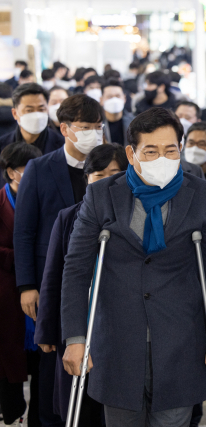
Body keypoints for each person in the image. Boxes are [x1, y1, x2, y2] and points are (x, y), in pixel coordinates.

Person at [58, 107, 206, 426]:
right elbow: (76, 268)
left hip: (181, 341)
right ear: (131, 152)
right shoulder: (101, 195)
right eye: (151, 151)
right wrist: (74, 338)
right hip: (118, 341)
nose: (162, 158)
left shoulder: (203, 196)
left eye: (170, 150)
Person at [13, 94, 103, 426]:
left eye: (97, 127)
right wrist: (27, 286)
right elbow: (23, 231)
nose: (93, 134)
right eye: (84, 127)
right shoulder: (40, 167)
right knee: (51, 365)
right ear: (64, 129)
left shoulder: (109, 166)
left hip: (100, 280)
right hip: (51, 282)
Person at [34, 144, 128, 424]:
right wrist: (47, 331)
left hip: (120, 324)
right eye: (99, 174)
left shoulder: (137, 217)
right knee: (79, 402)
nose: (108, 181)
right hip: (80, 324)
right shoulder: (68, 217)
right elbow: (54, 278)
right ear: (86, 178)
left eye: (117, 173)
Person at [0, 142, 42, 427]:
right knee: (8, 358)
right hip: (6, 292)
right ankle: (13, 413)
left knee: (42, 358)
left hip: (41, 286)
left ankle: (39, 416)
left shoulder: (43, 197)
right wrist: (25, 254)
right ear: (12, 172)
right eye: (28, 168)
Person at [0, 84, 64, 171]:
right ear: (15, 113)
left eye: (41, 109)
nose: (36, 115)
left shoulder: (62, 147)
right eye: (29, 110)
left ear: (47, 110)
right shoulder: (3, 145)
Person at [101, 79, 134, 145]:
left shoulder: (134, 123)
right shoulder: (97, 126)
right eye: (109, 97)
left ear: (124, 98)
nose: (114, 100)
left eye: (118, 96)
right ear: (101, 100)